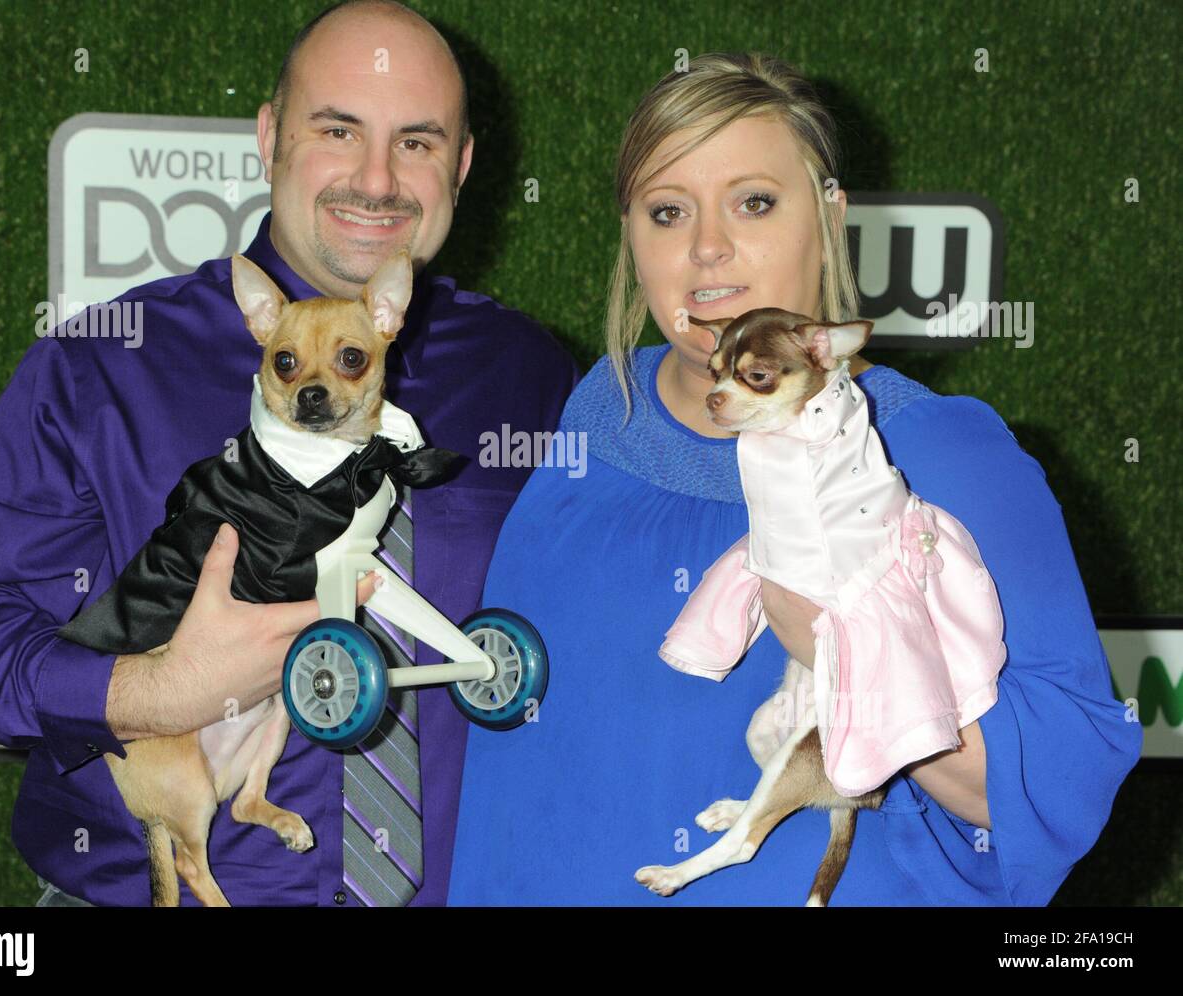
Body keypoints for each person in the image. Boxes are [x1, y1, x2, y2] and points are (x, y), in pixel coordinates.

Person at [0, 0, 579, 907]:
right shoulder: (109, 363)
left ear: (464, 164)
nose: (377, 179)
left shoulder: (531, 373)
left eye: (417, 141)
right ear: (269, 137)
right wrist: (143, 694)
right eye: (338, 129)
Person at [447, 51, 1142, 906]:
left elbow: (1055, 786)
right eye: (668, 211)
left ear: (830, 215)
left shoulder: (937, 451)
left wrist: (838, 650)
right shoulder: (596, 417)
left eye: (755, 203)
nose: (706, 248)